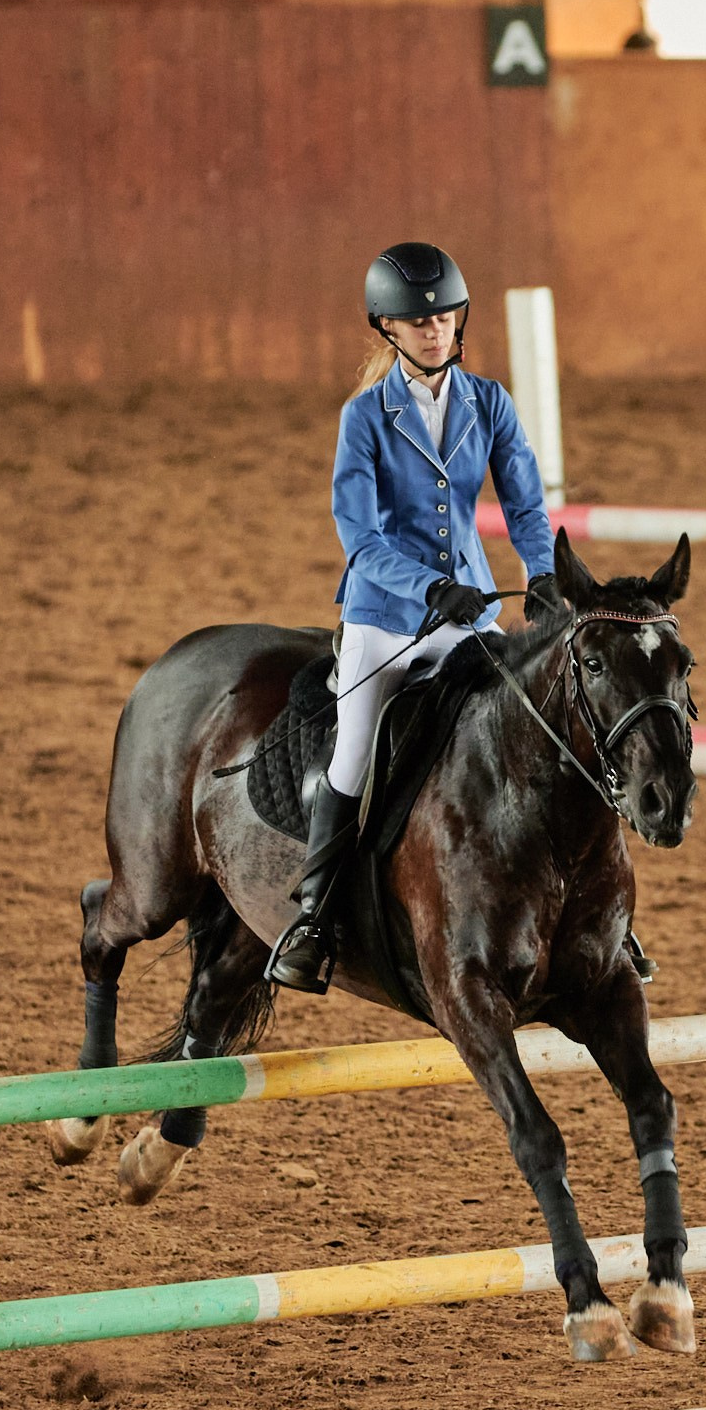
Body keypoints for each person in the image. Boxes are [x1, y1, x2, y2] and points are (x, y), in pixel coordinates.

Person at [267, 241, 556, 994]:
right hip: (387, 618)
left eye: (445, 317)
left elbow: (523, 502)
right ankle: (313, 918)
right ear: (387, 329)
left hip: (471, 610)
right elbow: (361, 537)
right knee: (355, 749)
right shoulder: (363, 417)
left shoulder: (489, 403)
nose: (435, 331)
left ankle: (581, 908)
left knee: (533, 725)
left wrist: (545, 572)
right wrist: (431, 587)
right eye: (418, 321)